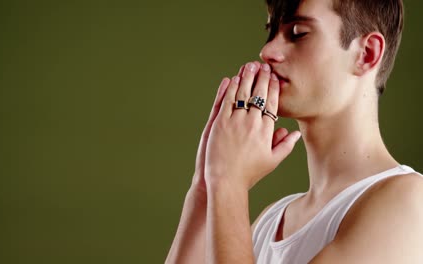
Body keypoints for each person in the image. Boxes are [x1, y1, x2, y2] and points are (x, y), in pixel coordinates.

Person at [165, 0, 423, 263]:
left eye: (299, 33)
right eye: (271, 32)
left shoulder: (410, 202)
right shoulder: (271, 221)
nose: (267, 50)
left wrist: (229, 182)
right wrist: (205, 187)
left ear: (366, 53)